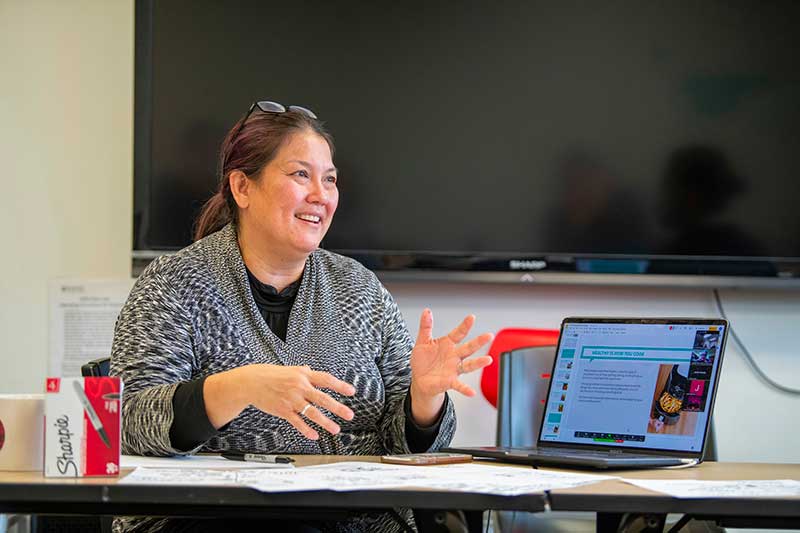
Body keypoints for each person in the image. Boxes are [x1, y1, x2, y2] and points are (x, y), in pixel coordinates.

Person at [110, 101, 494, 532]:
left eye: (329, 179)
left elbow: (411, 450)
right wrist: (237, 387)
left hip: (356, 522)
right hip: (212, 519)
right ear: (242, 188)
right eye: (300, 175)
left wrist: (424, 401)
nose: (320, 195)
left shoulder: (359, 288)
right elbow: (126, 424)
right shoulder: (173, 284)